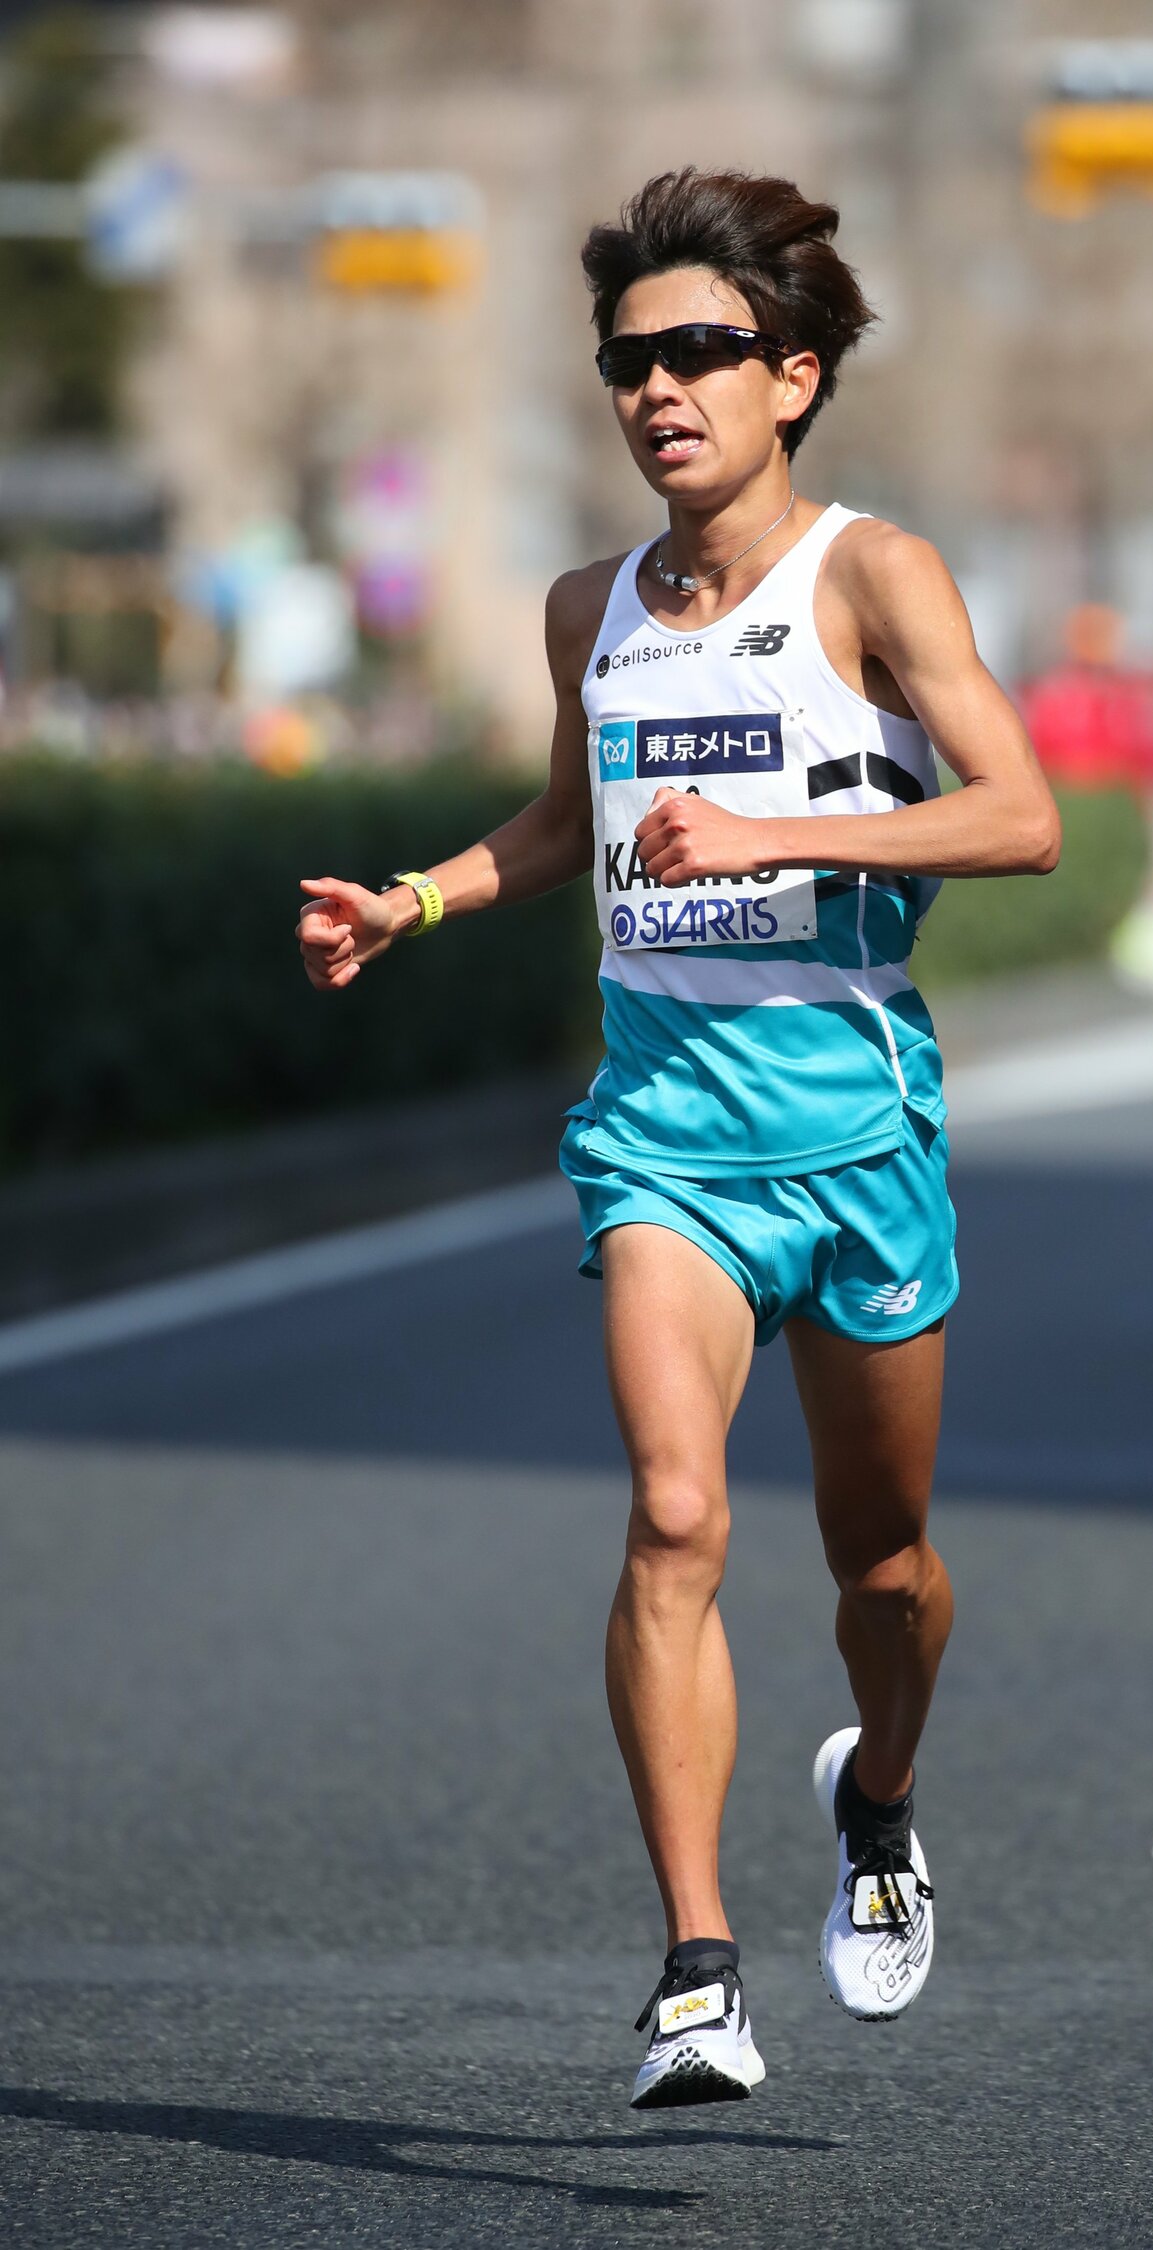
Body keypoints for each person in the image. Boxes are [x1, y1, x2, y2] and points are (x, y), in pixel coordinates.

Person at [297, 167, 1060, 2110]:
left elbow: (1020, 817)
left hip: (860, 1138)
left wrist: (785, 831)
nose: (662, 390)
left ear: (792, 377)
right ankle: (697, 1974)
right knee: (675, 1513)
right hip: (664, 1144)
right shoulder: (592, 610)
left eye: (704, 353)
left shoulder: (876, 581)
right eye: (632, 361)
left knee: (883, 1571)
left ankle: (877, 1796)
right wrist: (421, 897)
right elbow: (569, 827)